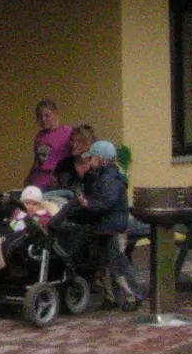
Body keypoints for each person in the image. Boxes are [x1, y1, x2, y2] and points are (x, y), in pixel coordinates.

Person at [53, 140, 141, 309]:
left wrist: (87, 203)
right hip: (103, 227)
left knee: (118, 264)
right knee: (104, 265)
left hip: (114, 229)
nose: (89, 161)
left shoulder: (110, 179)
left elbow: (105, 202)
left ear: (101, 159)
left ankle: (133, 296)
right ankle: (111, 296)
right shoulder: (101, 177)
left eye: (91, 158)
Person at [24, 99, 74, 190]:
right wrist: (28, 178)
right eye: (39, 116)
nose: (43, 119)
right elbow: (38, 161)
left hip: (56, 182)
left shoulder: (68, 132)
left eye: (47, 116)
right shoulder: (39, 136)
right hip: (37, 181)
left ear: (55, 114)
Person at [49, 124, 97, 196]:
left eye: (79, 141)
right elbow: (56, 193)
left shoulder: (100, 166)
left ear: (90, 144)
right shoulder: (63, 165)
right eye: (72, 140)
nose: (74, 145)